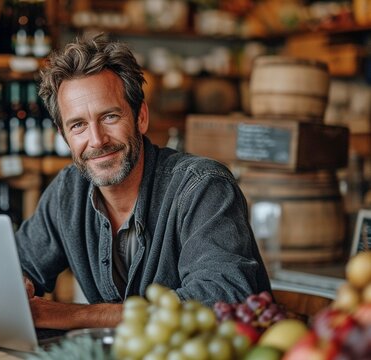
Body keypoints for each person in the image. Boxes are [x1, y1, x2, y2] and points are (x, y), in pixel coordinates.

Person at [16, 35, 271, 330]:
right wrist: (13, 284)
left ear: (141, 118)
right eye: (79, 125)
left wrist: (70, 315)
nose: (97, 140)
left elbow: (222, 300)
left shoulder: (202, 188)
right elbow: (17, 267)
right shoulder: (68, 191)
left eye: (109, 116)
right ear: (64, 137)